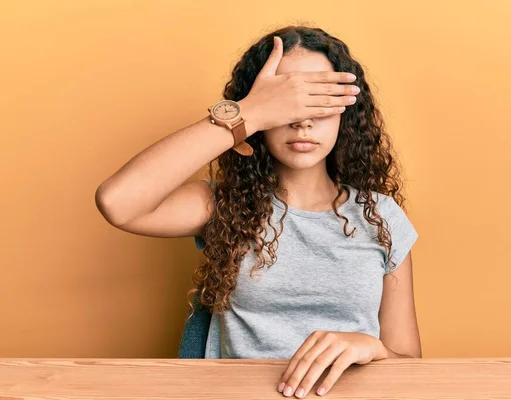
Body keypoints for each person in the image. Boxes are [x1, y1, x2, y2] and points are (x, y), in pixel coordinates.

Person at [95, 25, 420, 398]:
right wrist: (247, 113)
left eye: (319, 101)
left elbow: (409, 363)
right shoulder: (223, 205)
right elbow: (117, 202)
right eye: (289, 103)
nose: (303, 120)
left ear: (347, 114)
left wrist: (373, 348)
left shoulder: (380, 216)